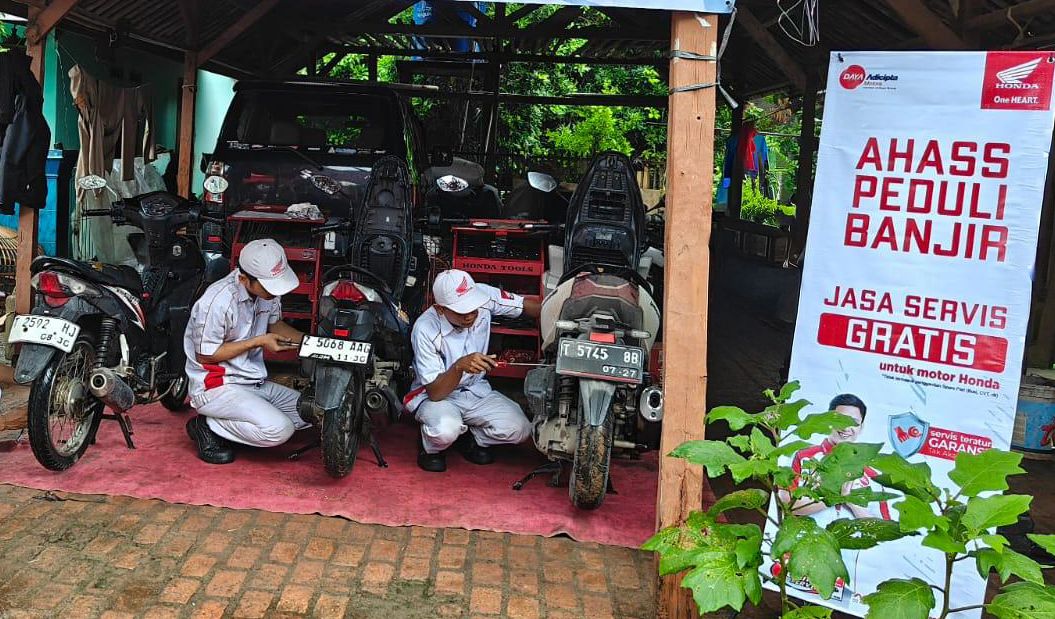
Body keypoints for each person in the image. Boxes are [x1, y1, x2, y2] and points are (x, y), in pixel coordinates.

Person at [183, 239, 308, 464]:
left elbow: (275, 325)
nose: (274, 291)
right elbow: (206, 355)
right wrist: (258, 341)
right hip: (216, 386)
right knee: (280, 430)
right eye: (269, 286)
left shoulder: (267, 292)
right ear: (243, 279)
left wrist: (312, 342)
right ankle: (207, 425)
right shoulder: (217, 301)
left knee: (308, 412)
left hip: (252, 381)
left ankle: (235, 426)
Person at [406, 269, 542, 472]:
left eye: (473, 307)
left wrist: (564, 309)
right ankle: (431, 447)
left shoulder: (483, 295)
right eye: (462, 310)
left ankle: (471, 439)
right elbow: (435, 392)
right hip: (437, 396)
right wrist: (459, 366)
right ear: (441, 309)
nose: (470, 314)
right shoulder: (425, 328)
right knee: (445, 430)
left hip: (475, 390)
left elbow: (526, 306)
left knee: (520, 429)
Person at [776, 393, 891, 604]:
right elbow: (787, 505)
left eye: (854, 423)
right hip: (802, 563)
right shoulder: (803, 457)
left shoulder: (872, 475)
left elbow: (882, 530)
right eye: (840, 420)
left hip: (847, 576)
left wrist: (850, 500)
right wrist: (832, 497)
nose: (846, 428)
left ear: (862, 427)